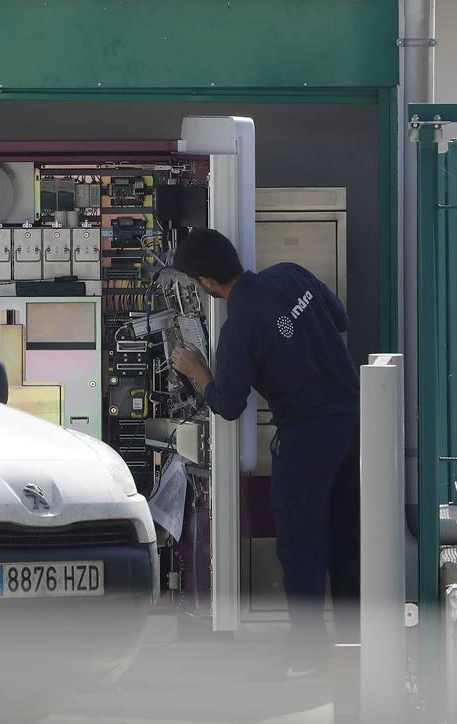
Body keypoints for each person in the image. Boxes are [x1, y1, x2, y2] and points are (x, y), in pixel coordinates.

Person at [168, 228, 360, 680]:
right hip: (355, 422)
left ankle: (309, 657)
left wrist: (199, 371)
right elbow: (341, 318)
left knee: (300, 543)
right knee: (347, 538)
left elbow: (229, 405)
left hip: (308, 438)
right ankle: (357, 649)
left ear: (205, 283)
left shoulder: (240, 328)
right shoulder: (291, 274)